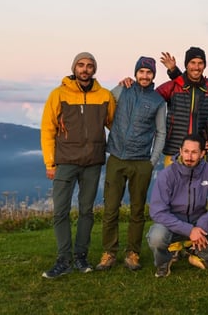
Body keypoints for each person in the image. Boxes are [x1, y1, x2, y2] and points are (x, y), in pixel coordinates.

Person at [40, 52, 116, 278]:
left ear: (94, 70)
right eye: (81, 65)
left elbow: (114, 124)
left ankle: (80, 256)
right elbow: (47, 129)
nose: (85, 69)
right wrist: (50, 162)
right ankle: (64, 259)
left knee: (87, 211)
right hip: (64, 161)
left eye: (89, 65)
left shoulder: (104, 96)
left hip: (93, 162)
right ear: (74, 68)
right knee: (60, 212)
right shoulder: (58, 94)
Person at [96, 56, 166, 272]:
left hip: (141, 163)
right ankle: (109, 252)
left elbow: (161, 132)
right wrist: (119, 83)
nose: (145, 76)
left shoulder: (158, 101)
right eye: (141, 72)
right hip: (116, 158)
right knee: (110, 209)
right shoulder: (121, 90)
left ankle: (133, 253)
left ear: (153, 75)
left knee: (137, 211)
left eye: (149, 73)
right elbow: (104, 102)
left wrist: (152, 162)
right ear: (135, 73)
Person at [147, 134, 208, 278]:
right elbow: (157, 212)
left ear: (202, 153)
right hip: (173, 224)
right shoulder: (167, 174)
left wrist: (202, 225)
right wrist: (189, 230)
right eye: (186, 151)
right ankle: (163, 263)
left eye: (194, 152)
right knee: (156, 236)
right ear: (181, 150)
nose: (189, 156)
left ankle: (199, 254)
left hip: (199, 222)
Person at [156, 47, 208, 166]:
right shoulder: (172, 87)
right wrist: (132, 85)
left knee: (199, 185)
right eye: (192, 62)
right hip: (175, 150)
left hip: (200, 153)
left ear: (204, 65)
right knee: (172, 184)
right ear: (186, 65)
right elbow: (149, 100)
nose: (196, 67)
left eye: (200, 63)